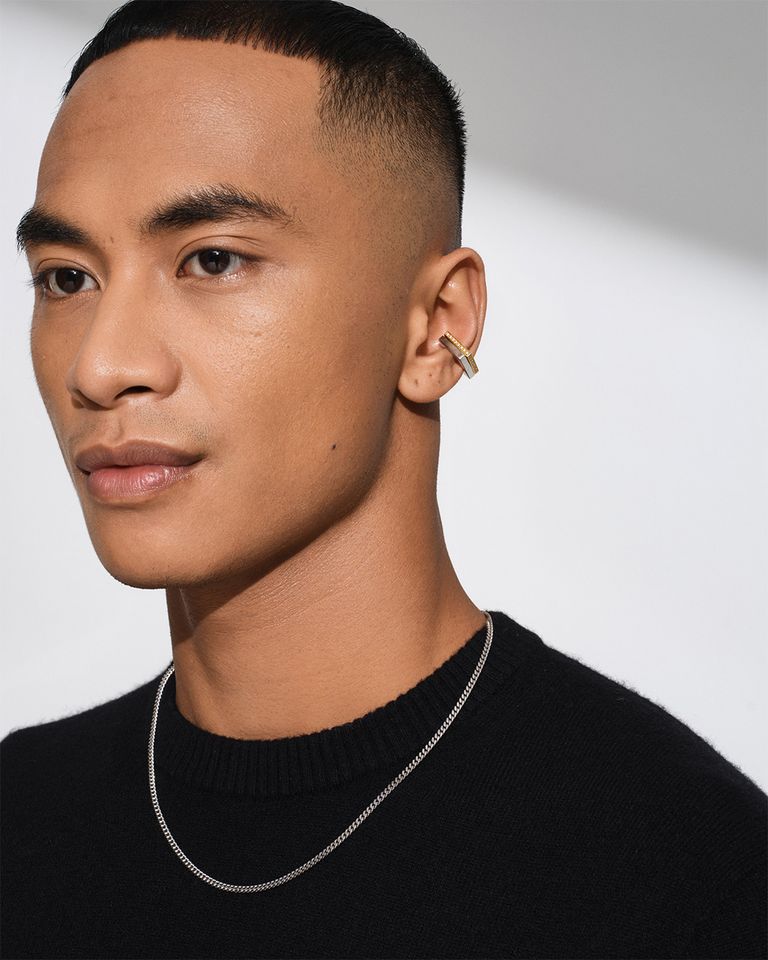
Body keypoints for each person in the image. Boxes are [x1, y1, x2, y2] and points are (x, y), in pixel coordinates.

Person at [1, 1, 765, 957]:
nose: (102, 366)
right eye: (66, 277)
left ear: (438, 326)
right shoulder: (20, 822)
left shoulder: (691, 878)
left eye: (213, 260)